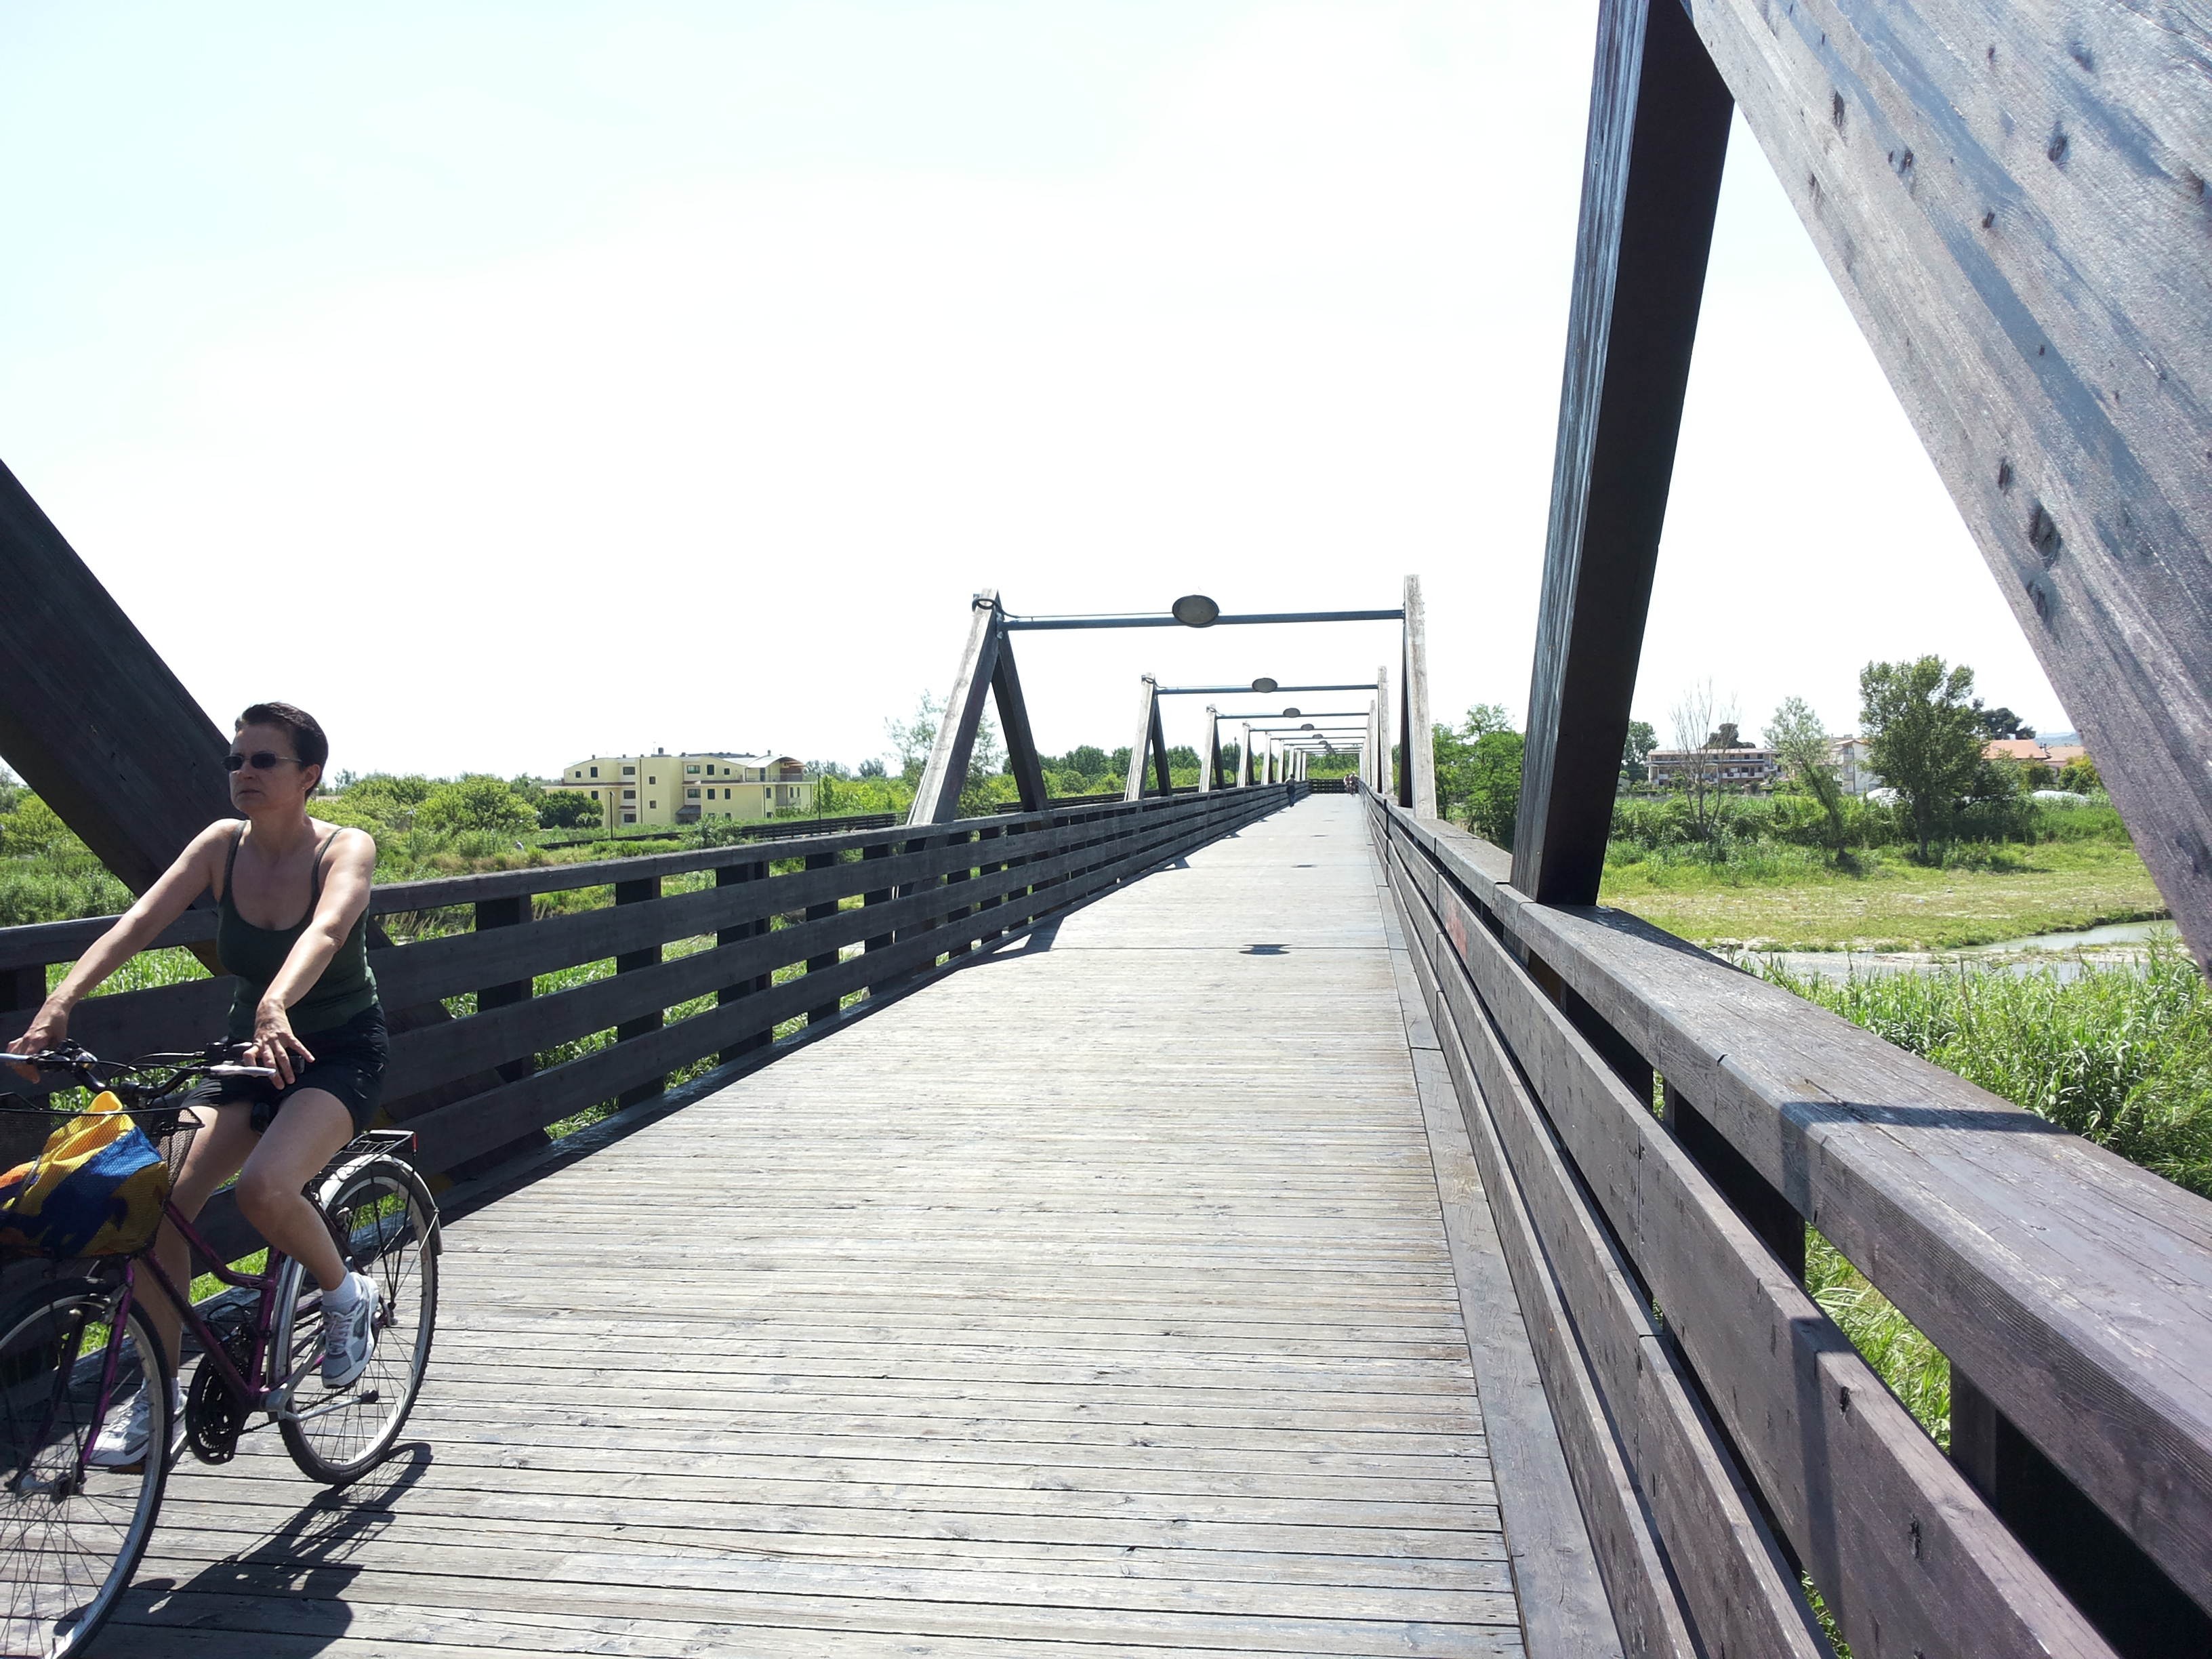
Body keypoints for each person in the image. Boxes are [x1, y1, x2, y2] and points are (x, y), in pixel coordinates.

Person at [5, 701, 386, 1467]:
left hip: (337, 1051)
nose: (244, 772)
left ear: (309, 775)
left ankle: (347, 1295)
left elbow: (326, 930)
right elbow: (138, 922)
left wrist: (277, 1002)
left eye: (263, 760)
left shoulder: (346, 847)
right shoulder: (220, 846)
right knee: (156, 1205)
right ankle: (160, 1392)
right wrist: (59, 1005)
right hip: (248, 1055)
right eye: (236, 760)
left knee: (265, 1190)